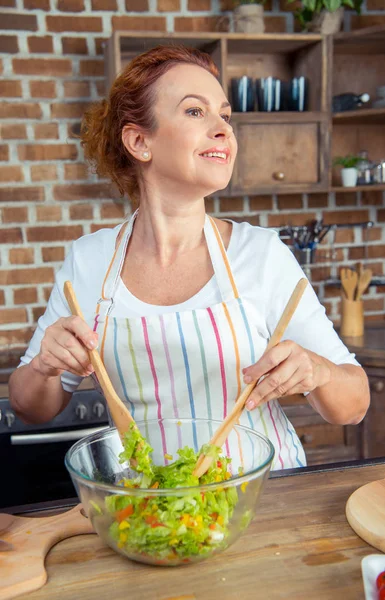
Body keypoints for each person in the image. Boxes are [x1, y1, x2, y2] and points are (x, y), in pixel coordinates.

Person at [9, 45, 370, 470]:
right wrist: (45, 366)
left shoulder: (262, 255)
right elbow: (31, 407)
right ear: (139, 141)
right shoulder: (89, 262)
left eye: (225, 115)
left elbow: (353, 405)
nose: (223, 129)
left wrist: (318, 372)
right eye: (196, 112)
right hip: (151, 508)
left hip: (267, 500)